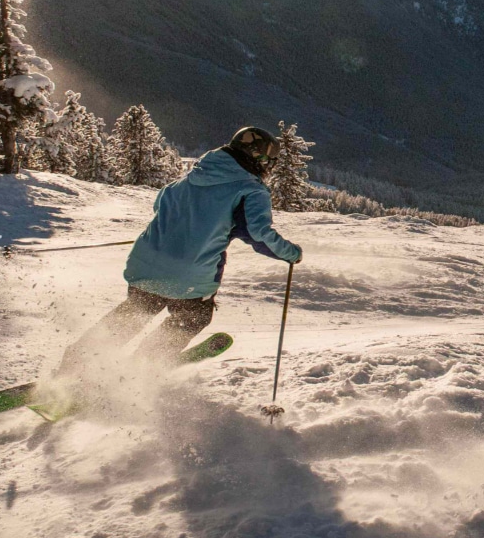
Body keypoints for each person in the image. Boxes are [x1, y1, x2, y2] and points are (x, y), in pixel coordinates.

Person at [60, 126, 303, 371]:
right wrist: (291, 253)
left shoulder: (187, 179)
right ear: (260, 158)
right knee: (193, 316)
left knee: (136, 312)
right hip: (188, 275)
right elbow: (258, 233)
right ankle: (140, 369)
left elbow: (160, 208)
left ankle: (77, 361)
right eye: (269, 161)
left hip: (144, 263)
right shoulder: (250, 190)